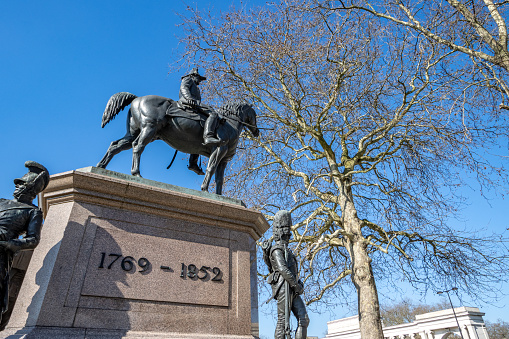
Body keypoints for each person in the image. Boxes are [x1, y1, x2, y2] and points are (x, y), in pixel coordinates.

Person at [0, 161, 49, 329]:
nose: (16, 186)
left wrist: (10, 244)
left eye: (21, 184)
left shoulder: (33, 212)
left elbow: (33, 240)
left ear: (31, 190)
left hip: (2, 253)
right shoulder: (1, 202)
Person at [263, 210, 309, 339]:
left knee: (304, 319)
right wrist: (296, 285)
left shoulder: (288, 250)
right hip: (284, 287)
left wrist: (298, 283)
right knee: (283, 321)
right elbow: (283, 269)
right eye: (285, 229)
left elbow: (292, 270)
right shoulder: (276, 249)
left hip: (292, 287)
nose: (288, 233)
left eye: (288, 229)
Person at [178, 68, 221, 175]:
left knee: (200, 132)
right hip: (189, 102)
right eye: (199, 78)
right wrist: (189, 98)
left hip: (194, 104)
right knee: (213, 114)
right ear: (193, 75)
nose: (200, 81)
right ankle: (208, 136)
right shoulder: (188, 79)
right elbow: (184, 88)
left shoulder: (195, 86)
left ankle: (193, 163)